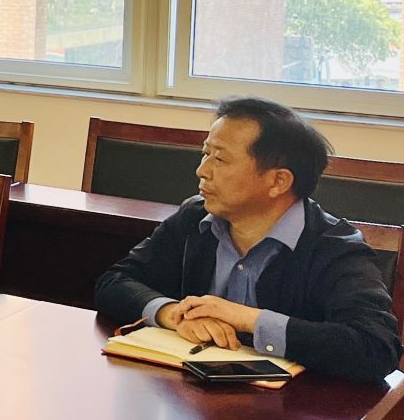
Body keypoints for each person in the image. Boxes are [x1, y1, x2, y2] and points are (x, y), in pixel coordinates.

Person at [94, 97, 400, 380]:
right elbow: (115, 281)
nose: (202, 171)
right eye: (205, 154)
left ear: (278, 181)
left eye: (220, 159)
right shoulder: (195, 218)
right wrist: (173, 313)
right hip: (195, 399)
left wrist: (248, 320)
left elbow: (376, 347)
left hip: (295, 411)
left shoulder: (336, 248)